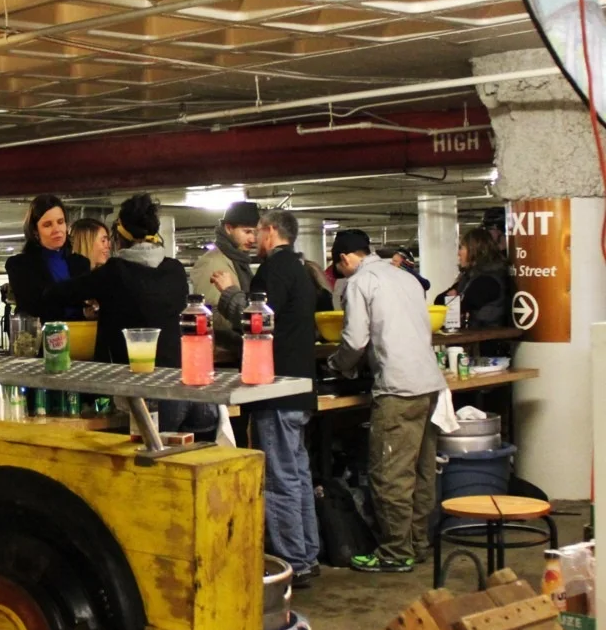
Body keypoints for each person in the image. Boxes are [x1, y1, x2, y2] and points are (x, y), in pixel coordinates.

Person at [45, 194, 216, 434]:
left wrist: (71, 265)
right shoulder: (175, 270)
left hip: (147, 396)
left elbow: (56, 294)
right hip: (191, 392)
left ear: (119, 234)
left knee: (147, 467)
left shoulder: (115, 272)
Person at [327, 229, 445, 574]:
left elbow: (354, 339)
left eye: (340, 268)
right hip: (429, 383)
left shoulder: (360, 283)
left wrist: (336, 365)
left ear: (346, 258)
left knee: (390, 473)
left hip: (398, 388)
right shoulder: (407, 278)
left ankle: (394, 551)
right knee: (423, 472)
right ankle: (418, 543)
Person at [212, 210, 320, 584]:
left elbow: (255, 321)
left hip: (275, 389)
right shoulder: (304, 271)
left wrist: (228, 292)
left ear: (270, 232)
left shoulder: (273, 271)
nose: (254, 239)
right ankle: (308, 553)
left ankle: (293, 562)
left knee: (280, 478)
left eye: (257, 232)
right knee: (299, 474)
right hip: (301, 387)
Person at [5, 194, 91, 320]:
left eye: (60, 222)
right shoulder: (19, 265)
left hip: (79, 336)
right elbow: (34, 307)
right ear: (35, 231)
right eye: (48, 225)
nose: (57, 229)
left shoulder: (81, 263)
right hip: (42, 337)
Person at [191, 201, 259, 356]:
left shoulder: (239, 261)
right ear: (229, 228)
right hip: (225, 352)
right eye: (247, 232)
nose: (252, 239)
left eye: (255, 233)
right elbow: (209, 313)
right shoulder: (212, 262)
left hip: (240, 348)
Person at [435, 227, 511, 330]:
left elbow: (462, 305)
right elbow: (439, 301)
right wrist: (456, 299)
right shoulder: (469, 277)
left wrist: (456, 299)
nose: (458, 253)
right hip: (475, 339)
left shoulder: (487, 281)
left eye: (462, 248)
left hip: (486, 341)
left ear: (474, 250)